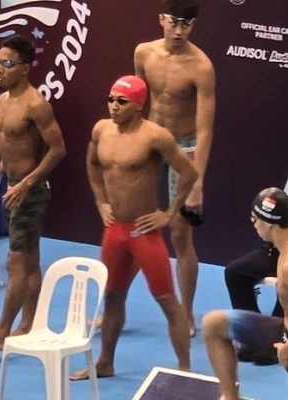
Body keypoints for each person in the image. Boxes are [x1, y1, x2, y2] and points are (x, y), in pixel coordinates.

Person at [70, 75, 196, 380]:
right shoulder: (101, 130)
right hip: (115, 230)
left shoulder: (155, 136)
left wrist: (169, 214)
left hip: (144, 232)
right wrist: (101, 201)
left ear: (138, 106)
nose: (113, 106)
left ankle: (185, 370)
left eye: (122, 101)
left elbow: (189, 173)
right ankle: (105, 363)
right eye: (111, 99)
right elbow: (93, 163)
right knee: (112, 296)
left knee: (167, 301)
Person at [0, 35, 66, 353]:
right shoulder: (2, 101)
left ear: (25, 68)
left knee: (17, 262)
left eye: (7, 64)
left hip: (29, 193)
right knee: (30, 261)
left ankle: (1, 333)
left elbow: (58, 149)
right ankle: (27, 325)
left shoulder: (36, 105)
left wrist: (27, 183)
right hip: (13, 190)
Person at [134, 0, 216, 336]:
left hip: (184, 151)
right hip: (151, 144)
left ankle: (186, 314)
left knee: (181, 235)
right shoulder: (144, 53)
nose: (180, 31)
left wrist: (197, 183)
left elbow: (205, 130)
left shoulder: (202, 67)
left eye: (187, 24)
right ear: (161, 20)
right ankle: (112, 306)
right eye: (174, 22)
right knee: (131, 226)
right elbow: (137, 104)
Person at [203, 187, 288, 400]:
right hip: (284, 331)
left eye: (255, 220)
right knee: (214, 324)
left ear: (269, 223)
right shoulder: (281, 250)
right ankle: (231, 397)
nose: (253, 225)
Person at [224, 243, 283, 365]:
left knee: (286, 278)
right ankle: (252, 331)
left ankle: (279, 336)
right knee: (235, 272)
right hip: (277, 250)